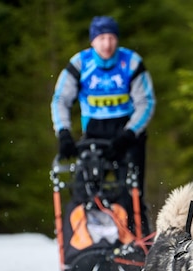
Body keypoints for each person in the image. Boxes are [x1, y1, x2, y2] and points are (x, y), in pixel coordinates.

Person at [51, 15, 156, 233]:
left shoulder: (131, 62)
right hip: (94, 133)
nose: (107, 44)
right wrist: (63, 132)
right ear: (92, 41)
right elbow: (60, 99)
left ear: (117, 40)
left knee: (132, 193)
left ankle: (138, 244)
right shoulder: (80, 63)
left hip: (127, 135)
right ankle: (83, 243)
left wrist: (130, 134)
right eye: (101, 38)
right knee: (82, 190)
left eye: (111, 38)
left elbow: (146, 102)